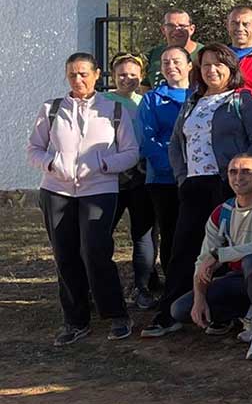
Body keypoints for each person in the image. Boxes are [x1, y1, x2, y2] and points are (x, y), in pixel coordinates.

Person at [147, 43, 252, 338]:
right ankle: (170, 312)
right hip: (193, 185)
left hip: (227, 187)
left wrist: (242, 173)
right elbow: (177, 143)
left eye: (218, 64)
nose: (212, 70)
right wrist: (181, 177)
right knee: (183, 249)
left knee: (225, 251)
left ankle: (224, 313)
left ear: (231, 68)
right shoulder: (192, 102)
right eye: (205, 65)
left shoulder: (243, 100)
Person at [27, 53, 140, 344]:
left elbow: (130, 153)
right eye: (72, 75)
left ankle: (116, 314)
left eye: (83, 74)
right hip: (56, 190)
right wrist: (52, 164)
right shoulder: (51, 109)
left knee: (95, 252)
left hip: (99, 189)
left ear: (97, 74)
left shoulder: (113, 109)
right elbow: (34, 149)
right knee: (65, 255)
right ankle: (75, 320)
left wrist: (103, 164)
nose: (78, 80)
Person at [171, 153, 252, 359]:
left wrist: (220, 255)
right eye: (233, 172)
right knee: (180, 309)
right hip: (239, 279)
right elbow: (203, 259)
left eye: (246, 172)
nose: (238, 177)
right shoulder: (221, 212)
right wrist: (199, 296)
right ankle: (248, 313)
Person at [108, 54, 161, 310]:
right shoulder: (103, 101)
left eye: (132, 74)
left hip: (141, 176)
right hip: (111, 178)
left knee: (143, 234)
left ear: (141, 76)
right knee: (102, 233)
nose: (127, 79)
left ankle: (143, 287)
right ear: (112, 76)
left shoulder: (146, 101)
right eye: (121, 74)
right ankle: (100, 285)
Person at [139, 45, 191, 288]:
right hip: (163, 179)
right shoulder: (151, 99)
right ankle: (174, 285)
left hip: (197, 176)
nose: (171, 66)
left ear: (190, 65)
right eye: (166, 62)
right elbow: (146, 139)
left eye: (177, 61)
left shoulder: (200, 95)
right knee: (171, 233)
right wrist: (172, 167)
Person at [145, 9, 200, 86]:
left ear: (191, 29)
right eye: (171, 26)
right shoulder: (153, 54)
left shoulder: (204, 54)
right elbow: (144, 87)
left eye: (182, 26)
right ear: (163, 29)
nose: (176, 30)